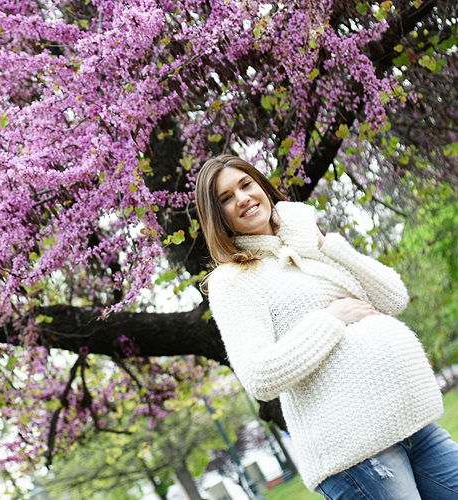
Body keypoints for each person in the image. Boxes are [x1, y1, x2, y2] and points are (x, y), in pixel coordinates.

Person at [194, 154, 458, 499]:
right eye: (226, 198)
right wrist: (330, 320)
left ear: (262, 186)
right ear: (218, 217)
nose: (242, 198)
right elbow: (260, 376)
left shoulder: (304, 247)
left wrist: (322, 243)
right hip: (355, 452)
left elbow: (393, 297)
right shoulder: (234, 280)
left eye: (246, 185)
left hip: (410, 423)